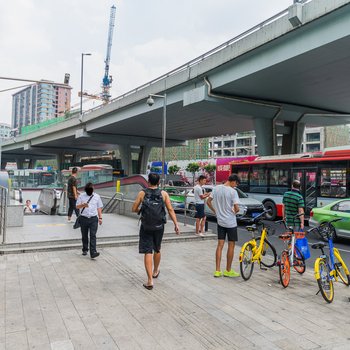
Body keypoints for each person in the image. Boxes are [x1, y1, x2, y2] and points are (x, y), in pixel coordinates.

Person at [132, 173, 180, 290]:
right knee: (157, 248)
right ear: (158, 182)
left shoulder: (142, 193)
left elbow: (133, 209)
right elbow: (170, 209)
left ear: (148, 181)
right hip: (159, 226)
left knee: (147, 251)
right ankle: (155, 271)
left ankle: (149, 281)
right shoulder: (163, 194)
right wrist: (176, 224)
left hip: (146, 226)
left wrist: (140, 210)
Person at [207, 174, 241, 278]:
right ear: (233, 181)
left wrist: (215, 211)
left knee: (220, 245)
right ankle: (228, 270)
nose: (235, 186)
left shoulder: (216, 188)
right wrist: (235, 211)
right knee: (231, 245)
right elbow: (237, 208)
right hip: (231, 222)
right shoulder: (233, 192)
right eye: (236, 184)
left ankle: (217, 271)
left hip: (220, 221)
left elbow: (208, 201)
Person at [76, 182, 103, 259]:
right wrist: (83, 205)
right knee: (84, 235)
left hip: (93, 219)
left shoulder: (97, 196)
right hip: (83, 218)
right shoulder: (81, 196)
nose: (89, 193)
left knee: (93, 235)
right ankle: (85, 249)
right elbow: (77, 206)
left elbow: (99, 208)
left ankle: (93, 252)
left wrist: (100, 218)